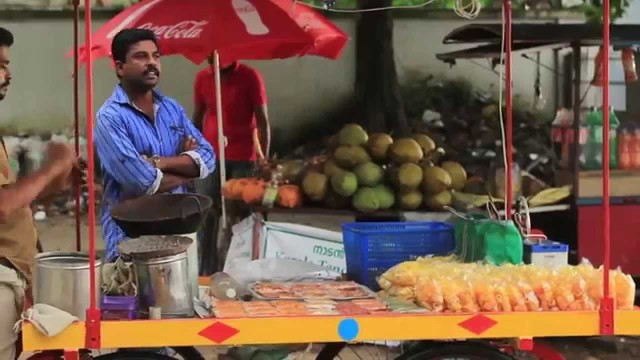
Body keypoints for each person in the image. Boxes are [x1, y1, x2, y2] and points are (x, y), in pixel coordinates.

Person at [95, 29, 216, 261]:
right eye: (141, 56)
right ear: (120, 67)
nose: (152, 63)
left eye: (156, 56)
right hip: (132, 243)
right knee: (136, 297)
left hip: (179, 237)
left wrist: (159, 162)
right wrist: (188, 168)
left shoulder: (171, 108)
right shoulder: (110, 118)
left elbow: (209, 156)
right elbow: (143, 182)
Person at [0, 27, 79, 360]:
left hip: (17, 273)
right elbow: (3, 208)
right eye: (1, 64)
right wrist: (51, 166)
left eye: (8, 64)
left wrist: (60, 183)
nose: (9, 73)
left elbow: (16, 204)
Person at [192, 57, 270, 274]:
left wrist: (264, 158)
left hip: (244, 155)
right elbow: (198, 117)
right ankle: (206, 270)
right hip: (210, 154)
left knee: (240, 213)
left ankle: (240, 267)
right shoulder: (203, 78)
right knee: (206, 211)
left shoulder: (250, 76)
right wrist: (193, 152)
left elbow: (262, 120)